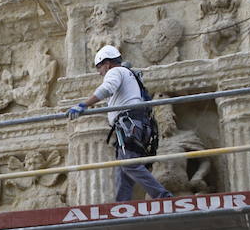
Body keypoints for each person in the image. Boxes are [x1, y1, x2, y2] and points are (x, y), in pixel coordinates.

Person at [67, 45, 172, 203]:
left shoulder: (115, 72)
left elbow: (107, 88)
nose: (99, 72)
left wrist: (84, 104)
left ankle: (162, 196)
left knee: (128, 164)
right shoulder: (129, 75)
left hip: (130, 124)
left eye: (99, 68)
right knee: (122, 169)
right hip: (136, 124)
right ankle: (122, 204)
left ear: (107, 64)